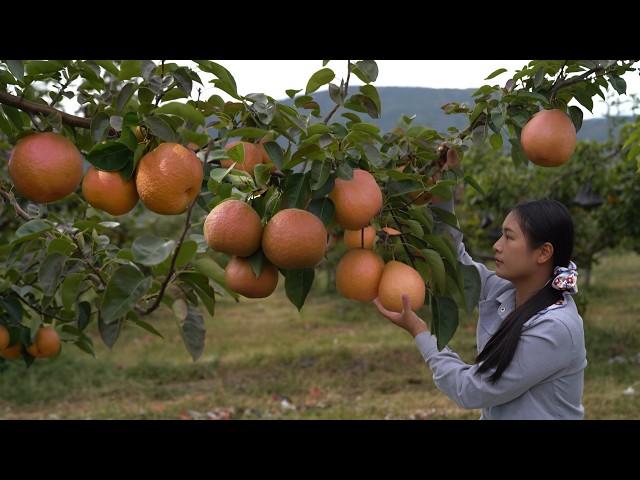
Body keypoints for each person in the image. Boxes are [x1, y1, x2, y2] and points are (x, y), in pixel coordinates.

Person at [373, 189, 587, 420]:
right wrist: (441, 188)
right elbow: (454, 260)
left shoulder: (555, 328)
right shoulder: (506, 291)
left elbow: (471, 390)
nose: (497, 245)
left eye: (509, 237)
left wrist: (420, 332)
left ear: (543, 252)